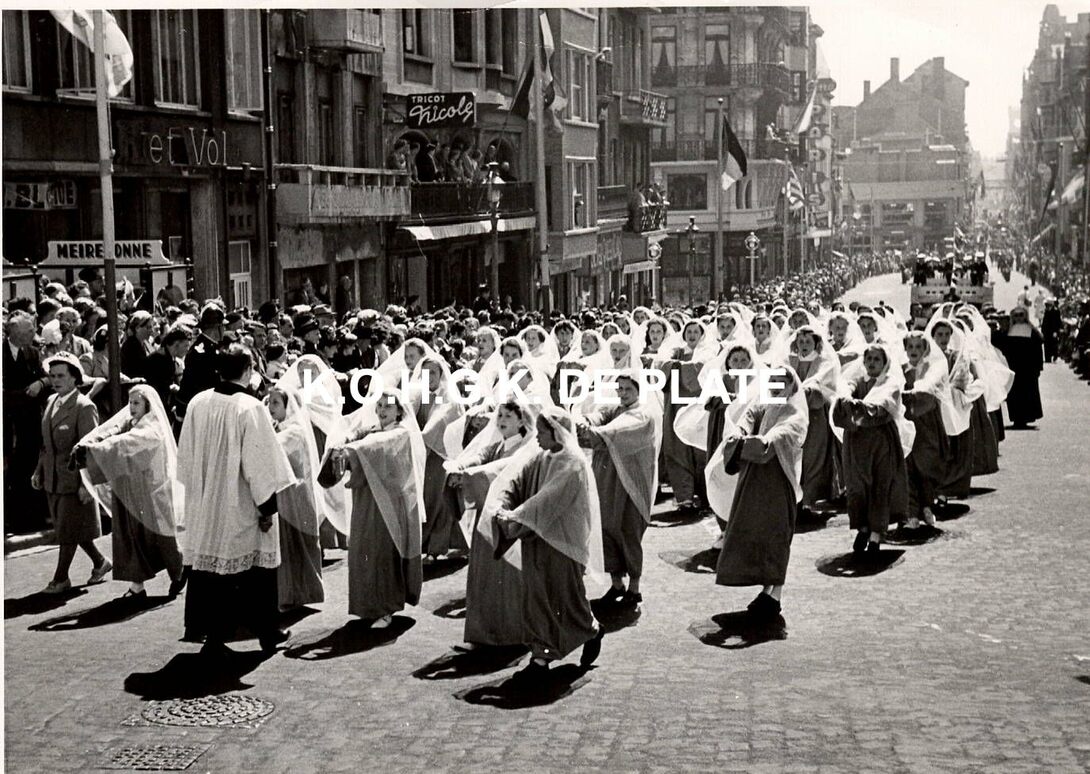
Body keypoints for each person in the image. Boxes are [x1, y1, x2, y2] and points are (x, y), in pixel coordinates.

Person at [176, 344, 296, 657]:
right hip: (239, 502)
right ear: (248, 370)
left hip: (206, 501)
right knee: (253, 570)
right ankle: (267, 633)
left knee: (212, 569)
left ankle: (214, 637)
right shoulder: (250, 407)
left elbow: (185, 456)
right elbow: (259, 465)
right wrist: (267, 507)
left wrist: (198, 494)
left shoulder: (198, 402)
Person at [490, 409, 606, 680]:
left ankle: (591, 629)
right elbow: (518, 480)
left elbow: (547, 499)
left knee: (565, 596)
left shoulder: (573, 463)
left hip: (564, 542)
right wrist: (504, 502)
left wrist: (515, 516)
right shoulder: (542, 457)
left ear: (557, 433)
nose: (537, 437)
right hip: (537, 537)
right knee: (537, 597)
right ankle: (540, 657)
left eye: (542, 432)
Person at [320, 390, 425, 627]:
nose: (382, 410)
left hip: (389, 505)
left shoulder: (401, 433)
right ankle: (367, 605)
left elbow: (375, 446)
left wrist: (351, 449)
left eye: (388, 406)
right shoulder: (372, 430)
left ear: (399, 410)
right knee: (363, 549)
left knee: (382, 551)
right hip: (366, 500)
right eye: (379, 405)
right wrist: (344, 440)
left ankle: (386, 608)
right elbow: (356, 434)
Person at [715, 365, 808, 619]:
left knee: (776, 535)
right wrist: (740, 431)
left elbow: (782, 433)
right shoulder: (764, 405)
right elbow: (748, 416)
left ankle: (775, 593)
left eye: (781, 382)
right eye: (772, 381)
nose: (776, 387)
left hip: (778, 482)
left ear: (791, 387)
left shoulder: (796, 413)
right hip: (755, 481)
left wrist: (763, 440)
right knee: (754, 530)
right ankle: (767, 589)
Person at [76, 384, 185, 600]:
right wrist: (91, 442)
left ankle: (179, 572)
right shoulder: (129, 423)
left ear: (148, 405)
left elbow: (128, 442)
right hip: (129, 488)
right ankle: (137, 585)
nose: (132, 407)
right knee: (130, 534)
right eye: (130, 402)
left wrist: (97, 449)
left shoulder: (152, 428)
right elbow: (111, 431)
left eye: (137, 402)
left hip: (152, 492)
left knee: (161, 538)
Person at [445, 396, 538, 649]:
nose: (501, 420)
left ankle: (511, 635)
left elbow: (503, 468)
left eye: (508, 416)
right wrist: (459, 466)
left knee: (507, 576)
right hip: (486, 518)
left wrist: (469, 475)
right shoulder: (496, 447)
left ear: (521, 421)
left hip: (508, 522)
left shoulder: (526, 450)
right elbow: (479, 458)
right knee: (484, 574)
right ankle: (483, 634)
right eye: (499, 416)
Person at [576, 372, 660, 610]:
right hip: (607, 478)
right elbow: (600, 415)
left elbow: (614, 431)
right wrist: (585, 420)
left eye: (628, 389)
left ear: (639, 390)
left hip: (631, 483)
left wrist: (590, 430)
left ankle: (634, 588)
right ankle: (617, 584)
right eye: (620, 388)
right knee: (606, 526)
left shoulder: (643, 415)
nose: (623, 393)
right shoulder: (617, 409)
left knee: (628, 529)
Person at [33, 353, 112, 593]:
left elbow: (90, 449)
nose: (55, 380)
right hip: (52, 478)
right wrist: (38, 470)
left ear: (75, 377)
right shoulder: (51, 402)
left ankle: (61, 579)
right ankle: (101, 562)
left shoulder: (84, 406)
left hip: (74, 480)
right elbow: (45, 444)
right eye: (52, 376)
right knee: (69, 527)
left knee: (67, 531)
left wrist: (86, 484)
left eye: (61, 376)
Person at [832, 344, 910, 557]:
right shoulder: (858, 382)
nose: (872, 363)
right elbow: (846, 388)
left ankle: (876, 534)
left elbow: (883, 403)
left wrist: (859, 407)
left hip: (881, 441)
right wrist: (847, 397)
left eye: (877, 359)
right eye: (869, 359)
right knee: (857, 486)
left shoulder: (890, 383)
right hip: (856, 440)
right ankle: (863, 528)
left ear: (885, 363)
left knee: (880, 486)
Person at [265, 385, 325, 610]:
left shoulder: (294, 431)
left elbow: (273, 449)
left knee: (297, 545)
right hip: (285, 494)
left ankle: (300, 593)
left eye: (276, 403)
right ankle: (289, 595)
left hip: (297, 496)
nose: (270, 407)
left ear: (287, 406)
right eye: (269, 402)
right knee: (286, 545)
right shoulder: (278, 427)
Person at [4, 311, 50, 531]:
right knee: (11, 471)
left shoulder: (32, 352)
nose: (34, 333)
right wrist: (25, 394)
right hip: (8, 424)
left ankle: (32, 519)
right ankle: (12, 520)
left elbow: (46, 377)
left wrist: (40, 383)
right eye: (29, 329)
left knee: (30, 468)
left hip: (30, 424)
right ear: (15, 332)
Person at [993, 306, 1044, 429]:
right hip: (1013, 368)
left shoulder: (1032, 331)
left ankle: (1025, 419)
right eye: (1016, 315)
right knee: (1014, 395)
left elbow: (1038, 350)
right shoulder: (1008, 331)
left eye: (1021, 315)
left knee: (1028, 394)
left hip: (1028, 369)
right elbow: (1000, 345)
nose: (1019, 318)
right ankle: (1017, 419)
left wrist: (1039, 367)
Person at [177, 304, 226, 417]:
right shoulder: (201, 351)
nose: (224, 329)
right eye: (223, 326)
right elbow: (205, 383)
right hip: (199, 408)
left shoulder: (210, 347)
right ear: (217, 327)